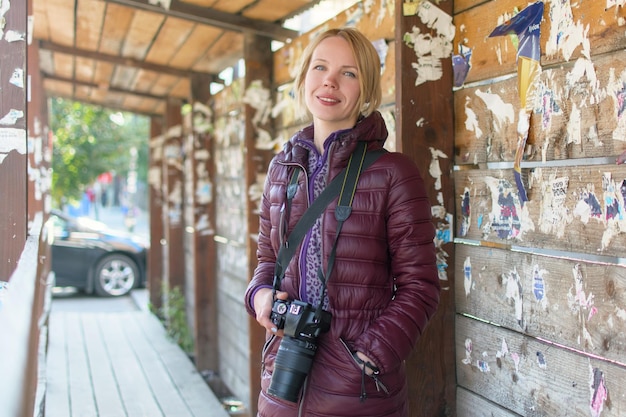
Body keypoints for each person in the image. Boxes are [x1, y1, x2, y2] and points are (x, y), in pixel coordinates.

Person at [244, 27, 440, 417]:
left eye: (348, 73)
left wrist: (368, 357)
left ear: (366, 91)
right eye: (320, 67)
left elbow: (421, 286)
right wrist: (260, 297)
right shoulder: (283, 169)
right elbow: (267, 261)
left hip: (360, 390)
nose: (330, 81)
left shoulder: (393, 173)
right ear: (303, 80)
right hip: (283, 378)